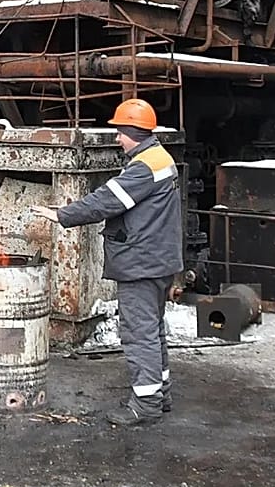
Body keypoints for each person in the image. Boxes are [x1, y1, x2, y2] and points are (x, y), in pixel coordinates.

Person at [33, 98, 182, 427]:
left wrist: (62, 215)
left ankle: (145, 405)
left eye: (119, 132)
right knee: (153, 330)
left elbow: (106, 201)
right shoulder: (159, 158)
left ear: (132, 132)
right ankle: (160, 393)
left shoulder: (143, 167)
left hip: (141, 263)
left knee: (138, 332)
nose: (116, 138)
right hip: (159, 259)